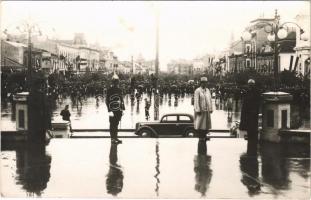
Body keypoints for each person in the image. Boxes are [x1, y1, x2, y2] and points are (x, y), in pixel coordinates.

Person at [239, 79, 261, 156]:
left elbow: (257, 102)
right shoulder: (247, 91)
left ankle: (253, 137)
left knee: (253, 125)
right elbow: (245, 101)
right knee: (249, 125)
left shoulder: (256, 92)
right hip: (248, 113)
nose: (250, 86)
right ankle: (250, 136)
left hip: (253, 112)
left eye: (251, 84)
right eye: (249, 84)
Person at [106, 74, 125, 144]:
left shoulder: (119, 90)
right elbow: (107, 101)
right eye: (115, 82)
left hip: (118, 110)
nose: (116, 83)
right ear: (113, 82)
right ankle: (112, 139)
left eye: (117, 82)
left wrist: (122, 109)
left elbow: (121, 99)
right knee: (112, 124)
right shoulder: (109, 90)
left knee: (116, 124)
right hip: (112, 110)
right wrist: (109, 110)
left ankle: (116, 137)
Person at [194, 77, 213, 141]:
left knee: (205, 125)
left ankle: (204, 135)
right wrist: (198, 110)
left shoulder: (208, 90)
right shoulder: (197, 90)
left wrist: (210, 108)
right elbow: (196, 101)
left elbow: (210, 100)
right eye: (203, 83)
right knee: (200, 124)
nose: (204, 84)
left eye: (205, 83)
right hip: (200, 110)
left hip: (206, 110)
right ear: (201, 83)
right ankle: (201, 137)